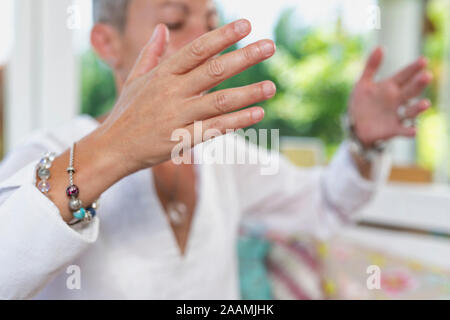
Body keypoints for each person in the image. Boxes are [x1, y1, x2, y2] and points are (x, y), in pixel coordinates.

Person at [0, 0, 432, 299]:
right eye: (174, 20)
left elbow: (325, 203)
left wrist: (363, 140)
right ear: (106, 43)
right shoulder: (46, 150)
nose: (207, 36)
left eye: (211, 19)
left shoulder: (224, 154)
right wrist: (115, 147)